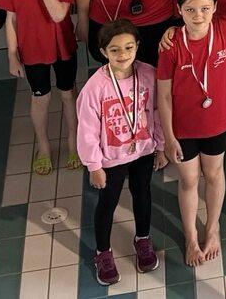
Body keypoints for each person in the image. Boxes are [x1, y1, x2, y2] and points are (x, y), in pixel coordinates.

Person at [158, 0, 226, 266]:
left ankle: (213, 226)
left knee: (215, 174)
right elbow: (164, 96)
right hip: (184, 127)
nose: (199, 16)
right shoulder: (170, 46)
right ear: (179, 9)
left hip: (217, 121)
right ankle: (192, 236)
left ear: (215, 7)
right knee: (190, 179)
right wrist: (168, 138)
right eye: (191, 9)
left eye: (205, 8)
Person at [76, 20, 164, 287]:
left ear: (138, 46)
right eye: (115, 50)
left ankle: (143, 239)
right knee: (108, 203)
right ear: (104, 52)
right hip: (111, 158)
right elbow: (87, 129)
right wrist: (94, 165)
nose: (123, 54)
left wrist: (159, 146)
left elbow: (159, 111)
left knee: (143, 195)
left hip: (144, 151)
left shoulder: (149, 74)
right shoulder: (95, 87)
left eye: (128, 47)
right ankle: (102, 252)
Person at [0, 0, 80, 174]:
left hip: (63, 47)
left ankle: (73, 142)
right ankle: (43, 147)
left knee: (68, 95)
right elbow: (10, 20)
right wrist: (12, 55)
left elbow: (59, 14)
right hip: (32, 51)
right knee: (40, 98)